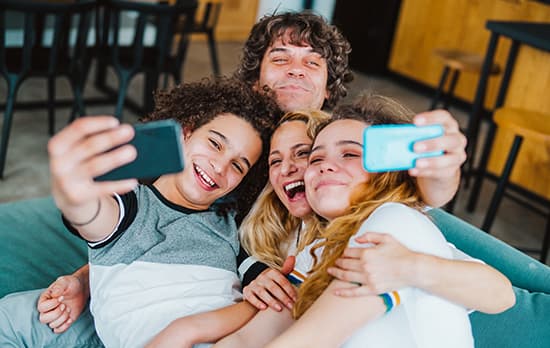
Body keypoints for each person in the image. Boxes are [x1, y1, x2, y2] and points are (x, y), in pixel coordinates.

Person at [0, 11, 470, 347]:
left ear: (329, 89)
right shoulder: (228, 147)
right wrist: (88, 274)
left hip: (240, 320)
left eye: (312, 64)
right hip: (184, 305)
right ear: (255, 78)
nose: (296, 71)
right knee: (21, 312)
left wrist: (443, 169)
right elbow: (137, 222)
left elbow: (421, 196)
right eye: (281, 58)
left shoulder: (339, 160)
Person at [147, 108, 513, 347]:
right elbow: (248, 339)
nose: (322, 166)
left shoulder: (395, 220)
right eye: (317, 157)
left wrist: (411, 267)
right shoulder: (312, 252)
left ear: (387, 171)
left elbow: (502, 293)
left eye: (350, 154)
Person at [0, 77, 280, 348]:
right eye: (215, 144)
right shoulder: (131, 205)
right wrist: (74, 194)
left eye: (238, 166)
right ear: (186, 131)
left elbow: (259, 279)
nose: (220, 166)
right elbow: (93, 215)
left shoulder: (229, 225)